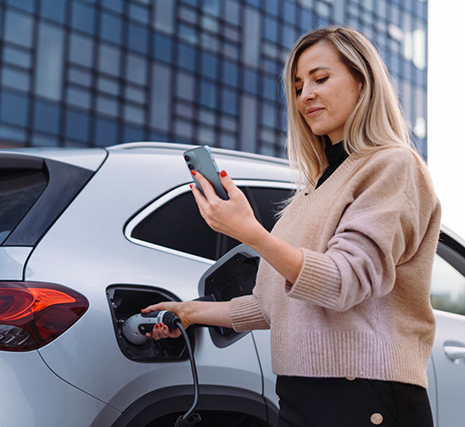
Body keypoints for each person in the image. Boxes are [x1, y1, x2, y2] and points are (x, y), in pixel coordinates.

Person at [143, 26, 441, 427]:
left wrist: (250, 232)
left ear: (361, 80)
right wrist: (190, 312)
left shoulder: (391, 165)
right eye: (298, 86)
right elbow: (279, 303)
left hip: (364, 393)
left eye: (320, 79)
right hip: (300, 391)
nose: (306, 96)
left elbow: (341, 284)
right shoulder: (312, 191)